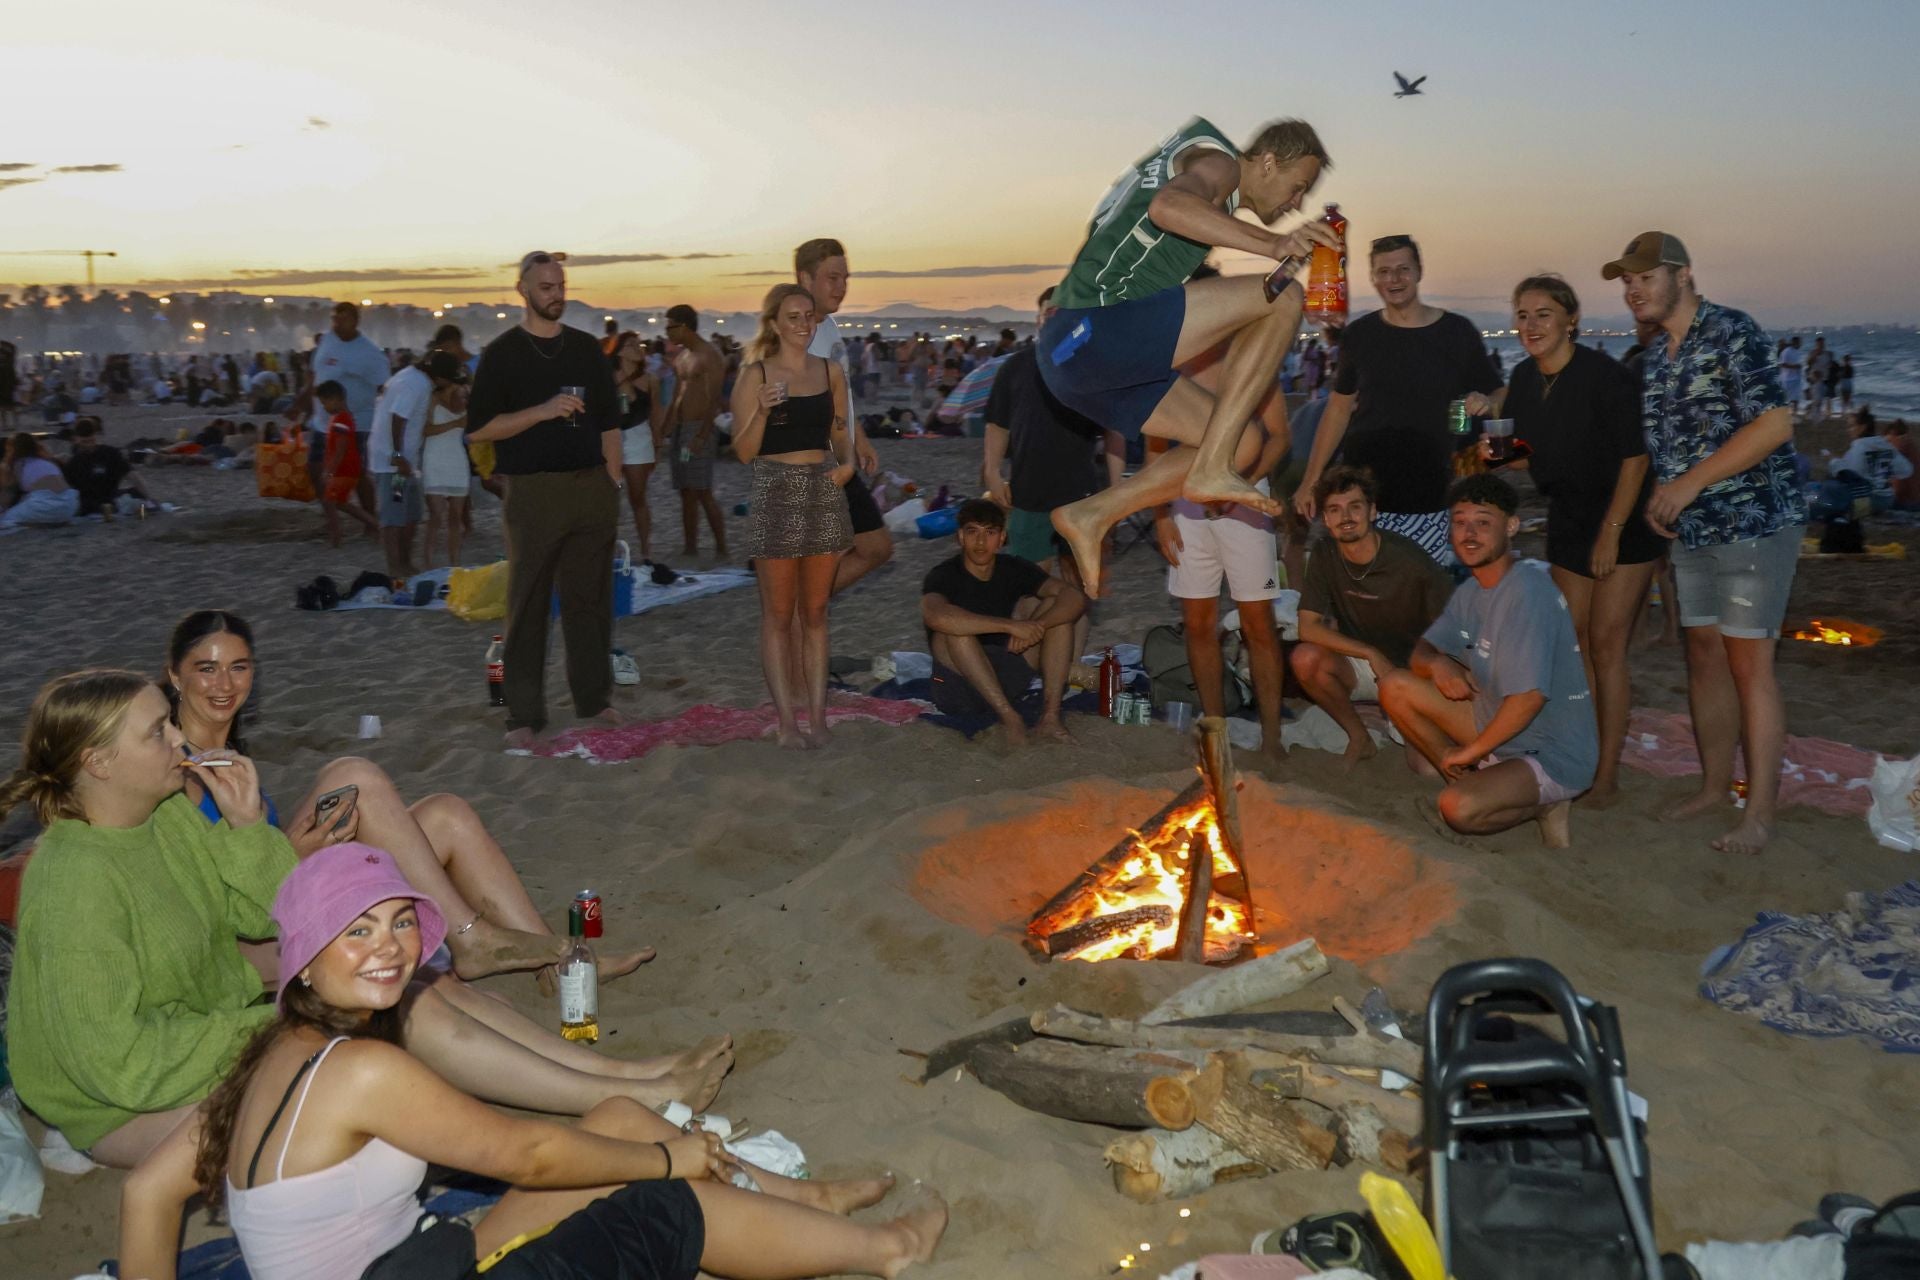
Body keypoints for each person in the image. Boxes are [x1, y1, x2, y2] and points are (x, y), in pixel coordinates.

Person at [2, 672, 733, 1172]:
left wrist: (250, 826)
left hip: (210, 1022)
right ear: (97, 762)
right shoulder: (74, 883)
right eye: (156, 732)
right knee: (387, 1026)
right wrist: (280, 1023)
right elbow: (118, 1065)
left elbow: (266, 913)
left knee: (407, 985)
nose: (178, 741)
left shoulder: (165, 817)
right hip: (127, 1107)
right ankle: (634, 1097)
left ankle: (627, 1074)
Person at [116, 841, 948, 1280]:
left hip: (416, 1262)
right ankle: (886, 1253)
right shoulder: (361, 1071)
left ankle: (816, 1201)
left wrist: (646, 1144)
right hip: (414, 1273)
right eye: (356, 931)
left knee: (621, 1120)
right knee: (667, 1206)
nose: (390, 948)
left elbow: (148, 1189)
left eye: (399, 921)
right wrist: (670, 1158)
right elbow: (531, 1153)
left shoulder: (279, 1051)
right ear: (303, 960)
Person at [1036, 117, 1340, 596]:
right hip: (1090, 331)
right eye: (1298, 186)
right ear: (1265, 162)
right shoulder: (1218, 161)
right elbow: (1167, 205)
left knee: (1243, 445)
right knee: (1283, 298)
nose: (1297, 203)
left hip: (1080, 363)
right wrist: (1275, 246)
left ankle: (1093, 513)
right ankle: (1210, 468)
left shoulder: (1211, 183)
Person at [1610, 230, 1805, 855]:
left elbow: (1775, 423)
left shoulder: (1731, 331)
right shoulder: (1661, 354)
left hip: (1754, 521)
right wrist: (1665, 497)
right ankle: (1716, 786)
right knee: (1702, 656)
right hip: (1695, 529)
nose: (1632, 289)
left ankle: (1761, 814)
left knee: (1751, 665)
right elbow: (1679, 443)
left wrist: (1689, 482)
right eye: (1626, 281)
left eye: (1643, 277)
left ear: (1683, 274)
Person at [1478, 275, 1663, 805]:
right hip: (1568, 518)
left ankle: (1606, 775)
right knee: (1573, 646)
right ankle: (1577, 753)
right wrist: (1495, 460)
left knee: (1607, 646)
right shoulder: (1522, 380)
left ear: (1570, 320)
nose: (1531, 325)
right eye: (1522, 315)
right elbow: (1533, 451)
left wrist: (1611, 533)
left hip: (1622, 519)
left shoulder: (1605, 377)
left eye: (1542, 314)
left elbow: (1636, 458)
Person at [1379, 475, 1597, 848]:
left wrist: (1470, 752)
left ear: (1511, 526)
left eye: (1483, 521)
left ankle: (1545, 804)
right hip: (1497, 722)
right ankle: (1471, 777)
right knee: (1394, 685)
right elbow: (1422, 653)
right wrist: (1439, 665)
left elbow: (1528, 700)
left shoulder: (1526, 592)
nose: (1469, 533)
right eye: (1460, 521)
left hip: (1552, 749)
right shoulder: (1473, 590)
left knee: (1458, 809)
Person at [467, 252, 626, 749]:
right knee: (528, 602)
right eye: (546, 287)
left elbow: (610, 422)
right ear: (523, 290)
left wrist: (613, 482)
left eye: (560, 285)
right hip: (533, 492)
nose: (556, 294)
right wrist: (540, 411)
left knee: (589, 601)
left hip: (590, 486)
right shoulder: (502, 354)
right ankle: (524, 713)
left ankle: (593, 699)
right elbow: (479, 430)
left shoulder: (584, 349)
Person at [1293, 235, 1503, 564]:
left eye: (1403, 269)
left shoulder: (1457, 332)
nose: (1394, 279)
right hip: (1364, 489)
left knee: (1422, 584)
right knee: (1366, 586)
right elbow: (1338, 409)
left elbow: (1498, 391)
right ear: (1374, 278)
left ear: (1419, 272)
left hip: (1430, 483)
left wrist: (1484, 399)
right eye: (1385, 271)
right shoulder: (1359, 335)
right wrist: (1311, 479)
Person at [730, 284, 854, 750]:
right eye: (794, 317)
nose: (805, 324)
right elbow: (743, 452)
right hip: (775, 489)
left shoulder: (831, 371)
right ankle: (786, 722)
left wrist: (847, 466)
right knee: (779, 615)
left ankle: (818, 718)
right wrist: (761, 410)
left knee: (817, 612)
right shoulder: (755, 375)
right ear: (775, 324)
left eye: (809, 316)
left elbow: (841, 430)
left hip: (824, 487)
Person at [1289, 466, 1453, 769]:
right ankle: (1359, 736)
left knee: (1428, 771)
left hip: (1411, 670)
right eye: (1335, 510)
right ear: (1325, 520)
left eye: (1355, 507)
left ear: (1373, 511)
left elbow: (1452, 630)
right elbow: (1307, 627)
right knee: (1305, 658)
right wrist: (1370, 653)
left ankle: (1404, 718)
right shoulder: (1325, 554)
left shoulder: (1409, 561)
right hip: (1366, 664)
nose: (1346, 517)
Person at [920, 499, 1086, 745]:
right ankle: (1010, 718)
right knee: (954, 630)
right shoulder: (944, 575)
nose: (980, 542)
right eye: (972, 532)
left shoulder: (1013, 567)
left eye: (989, 533)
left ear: (1001, 538)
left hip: (1008, 672)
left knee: (1057, 611)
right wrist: (1010, 626)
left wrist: (1037, 625)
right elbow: (934, 615)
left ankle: (1050, 717)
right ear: (960, 537)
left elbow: (1073, 597)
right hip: (959, 685)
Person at [984, 286, 1121, 577]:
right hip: (1026, 494)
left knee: (1080, 586)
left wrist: (1118, 490)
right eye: (1046, 312)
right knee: (1029, 583)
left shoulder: (1092, 369)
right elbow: (997, 424)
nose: (1051, 318)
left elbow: (1114, 432)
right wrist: (993, 472)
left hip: (1080, 496)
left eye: (1060, 313)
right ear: (1038, 319)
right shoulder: (1014, 366)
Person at [795, 239, 894, 595]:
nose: (842, 287)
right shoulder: (795, 331)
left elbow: (843, 393)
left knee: (876, 548)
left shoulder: (830, 327)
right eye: (832, 278)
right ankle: (802, 609)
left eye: (845, 278)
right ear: (806, 279)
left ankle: (807, 601)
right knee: (827, 555)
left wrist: (861, 439)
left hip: (841, 459)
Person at [288, 302, 389, 519]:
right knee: (315, 470)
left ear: (355, 321)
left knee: (357, 474)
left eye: (343, 319)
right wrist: (299, 404)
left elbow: (384, 388)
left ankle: (370, 519)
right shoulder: (327, 341)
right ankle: (331, 521)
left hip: (356, 422)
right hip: (322, 422)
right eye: (334, 319)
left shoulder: (369, 353)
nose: (337, 324)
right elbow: (315, 377)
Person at [367, 353, 458, 579]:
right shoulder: (413, 384)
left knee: (412, 514)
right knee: (394, 516)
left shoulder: (416, 379)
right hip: (394, 466)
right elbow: (397, 419)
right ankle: (395, 567)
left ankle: (405, 563)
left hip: (406, 463)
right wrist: (397, 456)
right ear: (438, 376)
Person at [661, 304, 729, 559]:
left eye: (670, 327)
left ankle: (722, 546)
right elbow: (677, 398)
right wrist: (664, 431)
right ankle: (690, 546)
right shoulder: (683, 357)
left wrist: (702, 435)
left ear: (684, 326)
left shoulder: (708, 356)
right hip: (681, 431)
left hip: (698, 429)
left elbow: (713, 400)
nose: (667, 333)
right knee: (686, 490)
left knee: (701, 489)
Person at [612, 330, 666, 560]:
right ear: (620, 350)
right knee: (609, 498)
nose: (638, 348)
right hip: (612, 437)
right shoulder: (608, 376)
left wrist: (657, 444)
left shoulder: (650, 379)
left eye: (639, 344)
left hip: (638, 437)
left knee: (637, 496)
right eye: (631, 344)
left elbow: (656, 413)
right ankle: (609, 548)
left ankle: (646, 550)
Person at [1812, 407, 1914, 520]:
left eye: (1852, 426)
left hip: (1864, 503)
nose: (1849, 430)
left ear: (1863, 427)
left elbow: (1849, 474)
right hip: (1887, 501)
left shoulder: (1860, 446)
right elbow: (1907, 470)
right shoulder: (1886, 446)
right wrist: (1884, 475)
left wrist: (1832, 460)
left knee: (1827, 486)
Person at [418, 359, 472, 568]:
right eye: (460, 393)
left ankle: (455, 563)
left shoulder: (466, 399)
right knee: (435, 516)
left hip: (457, 461)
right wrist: (455, 424)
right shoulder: (433, 398)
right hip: (435, 460)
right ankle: (428, 564)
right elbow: (426, 430)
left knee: (455, 518)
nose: (463, 397)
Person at [313, 381, 375, 547]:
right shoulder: (343, 418)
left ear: (336, 399)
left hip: (344, 469)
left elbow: (340, 449)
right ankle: (372, 524)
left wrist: (329, 471)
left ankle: (337, 536)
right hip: (347, 468)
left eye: (325, 402)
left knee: (330, 502)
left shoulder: (341, 420)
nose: (324, 407)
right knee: (338, 502)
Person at [62, 415, 153, 516]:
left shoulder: (110, 453)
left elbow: (132, 475)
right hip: (97, 500)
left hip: (103, 498)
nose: (88, 445)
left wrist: (149, 497)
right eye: (85, 442)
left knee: (135, 493)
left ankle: (107, 508)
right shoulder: (75, 461)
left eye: (90, 441)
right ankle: (109, 508)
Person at [0, 430, 78, 528]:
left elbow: (8, 494)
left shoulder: (18, 465)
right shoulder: (48, 461)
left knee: (7, 517)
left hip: (43, 504)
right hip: (70, 504)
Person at [1885, 419, 1920, 509]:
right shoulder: (1912, 445)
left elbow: (1898, 487)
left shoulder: (1898, 446)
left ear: (1892, 433)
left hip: (1904, 501)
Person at [1806, 335, 1833, 423]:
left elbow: (1830, 365)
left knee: (1820, 399)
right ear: (1816, 344)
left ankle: (1815, 414)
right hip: (1815, 378)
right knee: (1816, 398)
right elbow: (1808, 363)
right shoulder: (1813, 353)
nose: (1821, 345)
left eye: (1822, 343)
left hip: (1825, 378)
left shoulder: (1828, 354)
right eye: (1819, 344)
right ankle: (1814, 416)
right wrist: (1814, 356)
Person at [1777, 336, 1804, 418]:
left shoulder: (1797, 351)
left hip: (1796, 378)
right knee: (1787, 399)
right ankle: (1782, 415)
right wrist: (1794, 366)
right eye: (1800, 342)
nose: (1801, 344)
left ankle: (1794, 414)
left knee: (1796, 398)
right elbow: (1782, 364)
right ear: (1795, 342)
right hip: (1787, 379)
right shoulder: (1786, 351)